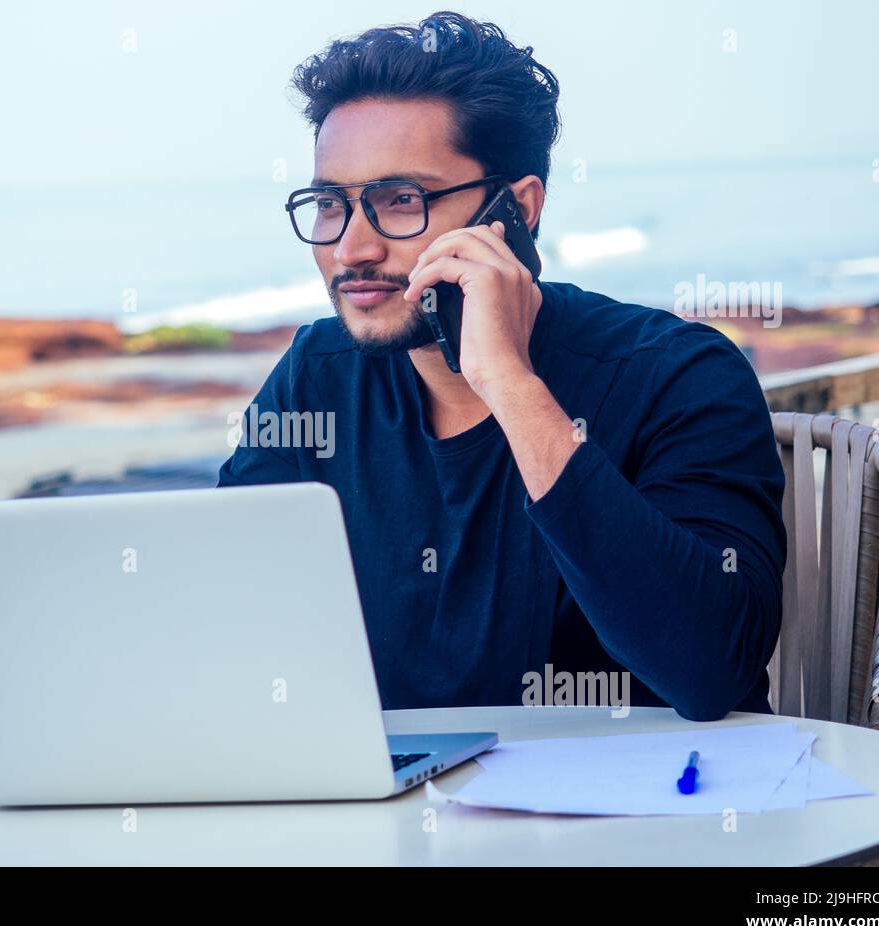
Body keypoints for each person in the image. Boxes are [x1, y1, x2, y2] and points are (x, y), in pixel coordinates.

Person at [218, 11, 787, 721]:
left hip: (647, 815)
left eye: (401, 200)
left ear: (514, 210)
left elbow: (709, 671)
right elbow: (229, 618)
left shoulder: (680, 375)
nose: (351, 248)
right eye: (331, 204)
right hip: (401, 816)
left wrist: (510, 385)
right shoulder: (317, 378)